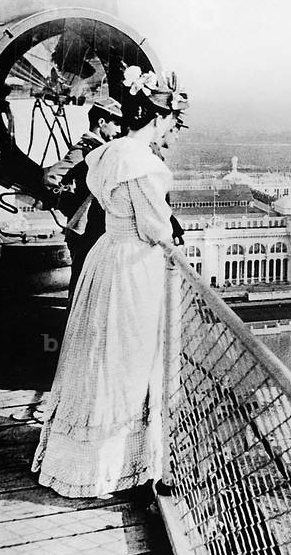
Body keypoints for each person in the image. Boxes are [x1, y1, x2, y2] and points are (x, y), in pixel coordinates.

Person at [32, 67, 185, 498]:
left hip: (105, 255)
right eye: (171, 121)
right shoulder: (142, 164)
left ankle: (87, 457)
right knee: (128, 360)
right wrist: (169, 235)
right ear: (157, 118)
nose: (170, 129)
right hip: (134, 266)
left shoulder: (107, 153)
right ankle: (117, 467)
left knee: (99, 353)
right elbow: (154, 226)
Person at [43, 97, 123, 301]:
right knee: (80, 288)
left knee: (89, 287)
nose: (119, 129)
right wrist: (73, 207)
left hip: (90, 230)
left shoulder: (98, 149)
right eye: (116, 123)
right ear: (102, 122)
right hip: (82, 231)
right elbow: (51, 178)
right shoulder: (84, 150)